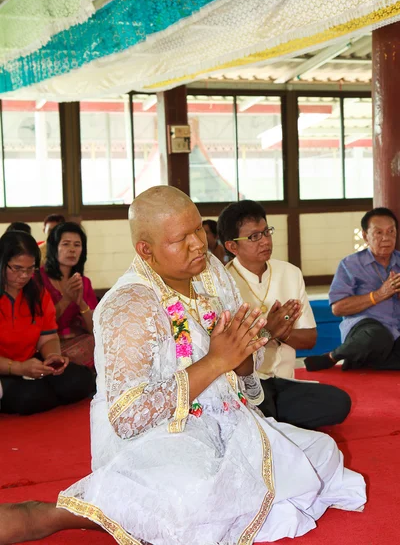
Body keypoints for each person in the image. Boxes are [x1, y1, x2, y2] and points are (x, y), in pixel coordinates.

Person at [0, 187, 365, 545]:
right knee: (196, 495)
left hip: (227, 418)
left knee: (320, 455)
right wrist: (216, 361)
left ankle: (146, 510)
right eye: (181, 238)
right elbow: (128, 417)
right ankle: (66, 512)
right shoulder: (126, 305)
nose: (198, 244)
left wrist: (248, 349)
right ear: (147, 249)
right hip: (160, 439)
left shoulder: (213, 273)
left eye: (197, 231)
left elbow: (242, 374)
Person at [217, 200, 351, 430]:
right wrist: (270, 330)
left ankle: (265, 422)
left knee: (339, 402)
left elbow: (310, 339)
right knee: (254, 405)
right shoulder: (221, 283)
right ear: (232, 246)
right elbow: (227, 351)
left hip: (284, 382)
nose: (266, 241)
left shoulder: (290, 273)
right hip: (244, 385)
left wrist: (277, 331)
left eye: (266, 231)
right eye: (254, 237)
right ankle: (268, 420)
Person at [0, 230, 95, 415]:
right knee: (29, 398)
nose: (24, 276)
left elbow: (48, 336)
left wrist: (53, 357)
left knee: (80, 381)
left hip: (30, 362)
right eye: (17, 268)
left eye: (30, 269)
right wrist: (17, 368)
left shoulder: (37, 293)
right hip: (6, 367)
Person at [305, 207, 400, 372]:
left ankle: (364, 360)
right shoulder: (350, 264)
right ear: (365, 236)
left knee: (387, 342)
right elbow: (338, 308)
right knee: (376, 337)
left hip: (396, 330)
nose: (386, 238)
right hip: (365, 329)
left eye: (391, 231)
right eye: (378, 233)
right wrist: (378, 295)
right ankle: (334, 356)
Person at [40, 222, 97, 367]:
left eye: (77, 245)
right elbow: (40, 326)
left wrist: (81, 303)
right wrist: (66, 299)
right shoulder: (38, 279)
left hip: (78, 343)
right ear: (54, 248)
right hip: (47, 347)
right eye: (66, 244)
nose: (72, 250)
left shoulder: (83, 282)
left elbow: (94, 329)